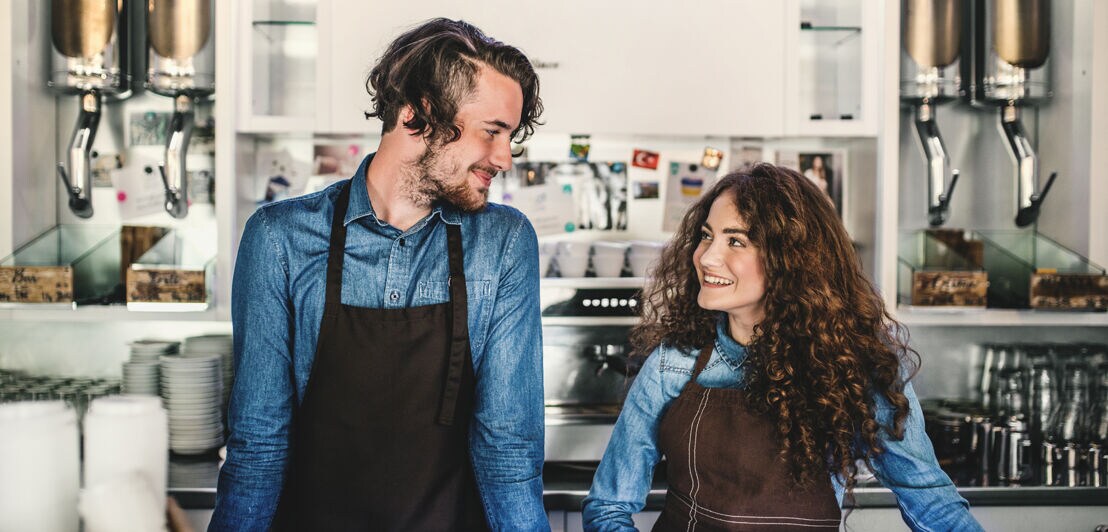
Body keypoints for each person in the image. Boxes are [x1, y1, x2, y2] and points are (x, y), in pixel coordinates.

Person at [210, 18, 547, 531]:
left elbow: (508, 446)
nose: (504, 158)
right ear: (418, 113)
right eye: (492, 132)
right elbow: (259, 443)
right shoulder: (279, 239)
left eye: (510, 137)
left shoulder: (504, 242)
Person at [582, 164, 982, 531]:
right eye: (706, 236)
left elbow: (933, 506)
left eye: (736, 241)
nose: (707, 257)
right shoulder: (672, 364)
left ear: (791, 260)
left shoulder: (855, 367)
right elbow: (607, 507)